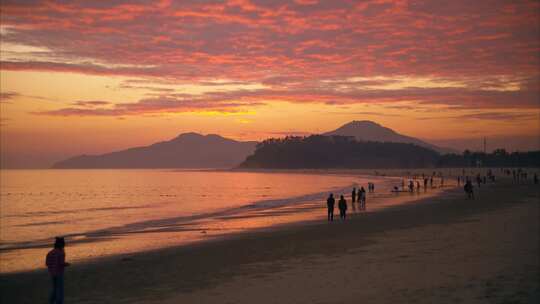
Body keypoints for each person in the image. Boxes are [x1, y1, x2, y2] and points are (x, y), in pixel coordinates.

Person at [46, 237, 70, 304]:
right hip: (59, 272)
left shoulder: (50, 252)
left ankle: (51, 301)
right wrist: (66, 264)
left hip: (52, 273)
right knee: (60, 289)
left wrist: (51, 268)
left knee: (54, 288)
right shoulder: (61, 253)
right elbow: (61, 263)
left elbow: (47, 263)